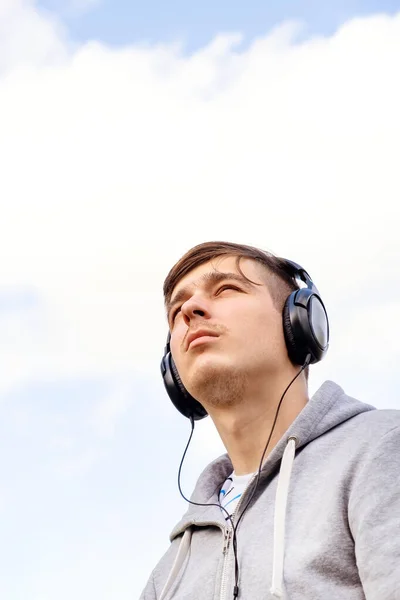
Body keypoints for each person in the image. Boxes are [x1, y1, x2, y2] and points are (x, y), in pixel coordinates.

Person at [140, 240, 400, 600]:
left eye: (226, 289)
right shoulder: (168, 574)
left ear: (299, 323)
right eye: (176, 310)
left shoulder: (381, 449)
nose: (190, 309)